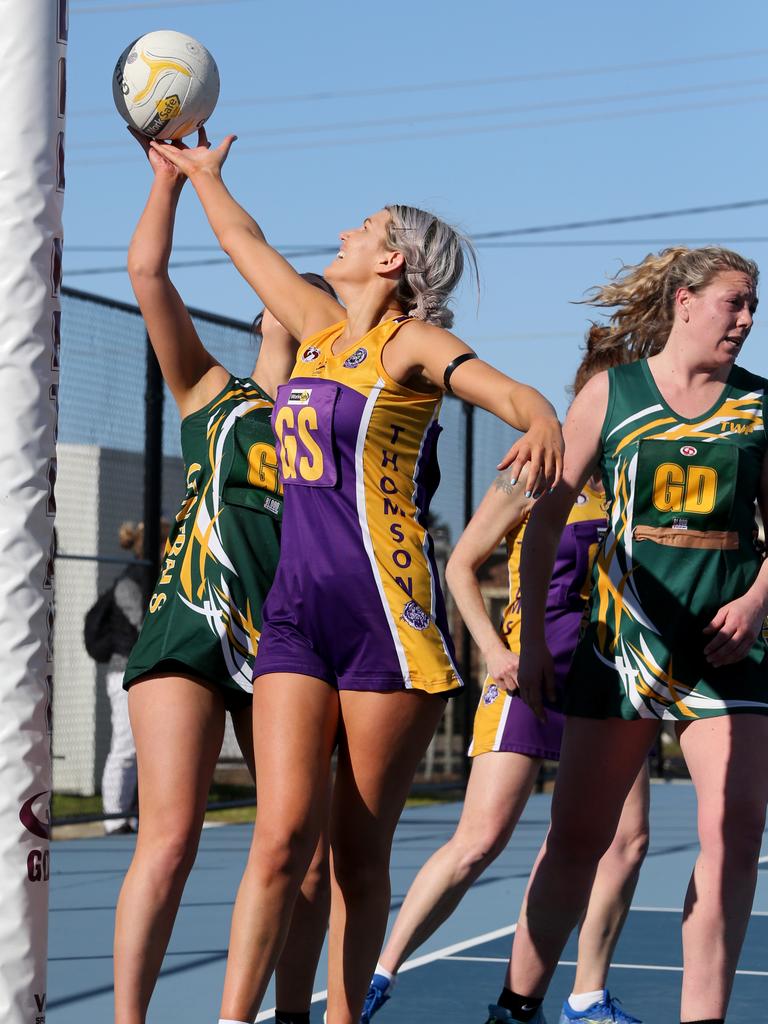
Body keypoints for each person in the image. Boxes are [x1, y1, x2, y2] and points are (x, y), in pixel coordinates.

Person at [151, 129, 564, 1024]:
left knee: (356, 857)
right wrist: (205, 179)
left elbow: (512, 395)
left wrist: (538, 420)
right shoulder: (313, 327)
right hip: (295, 614)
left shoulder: (414, 345)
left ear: (393, 258)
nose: (342, 231)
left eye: (362, 225)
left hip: (388, 617)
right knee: (278, 840)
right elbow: (242, 244)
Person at [498, 246, 768, 1024]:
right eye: (735, 302)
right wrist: (529, 645)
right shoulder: (609, 395)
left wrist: (755, 603)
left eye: (755, 306)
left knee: (735, 832)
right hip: (624, 648)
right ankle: (517, 1005)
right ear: (685, 301)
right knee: (579, 837)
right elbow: (545, 522)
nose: (748, 319)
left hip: (728, 652)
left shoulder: (759, 407)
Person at [113, 129, 337, 1024]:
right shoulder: (214, 393)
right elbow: (148, 279)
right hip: (193, 624)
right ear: (262, 308)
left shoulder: (338, 421)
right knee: (168, 841)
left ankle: (288, 1014)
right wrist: (168, 183)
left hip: (289, 637)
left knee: (306, 853)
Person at [361, 344, 647, 1024]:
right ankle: (377, 971)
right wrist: (494, 650)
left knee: (625, 839)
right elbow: (461, 565)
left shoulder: (638, 480)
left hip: (609, 680)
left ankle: (583, 995)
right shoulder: (537, 470)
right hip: (529, 670)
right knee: (479, 839)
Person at [100, 520, 161, 835]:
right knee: (124, 745)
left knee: (146, 748)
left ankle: (136, 815)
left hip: (149, 673)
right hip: (124, 673)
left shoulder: (158, 576)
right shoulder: (129, 581)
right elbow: (144, 625)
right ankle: (114, 818)